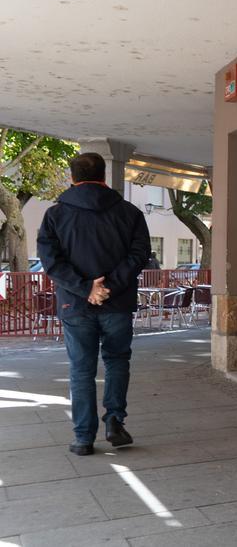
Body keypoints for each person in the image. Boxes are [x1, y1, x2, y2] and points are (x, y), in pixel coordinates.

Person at [37, 153, 150, 456]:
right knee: (116, 361)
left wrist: (86, 288)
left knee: (81, 370)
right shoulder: (129, 213)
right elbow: (140, 254)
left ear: (72, 178)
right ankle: (114, 420)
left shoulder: (55, 215)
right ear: (104, 177)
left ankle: (83, 437)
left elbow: (51, 263)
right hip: (118, 302)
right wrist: (109, 286)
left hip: (74, 306)